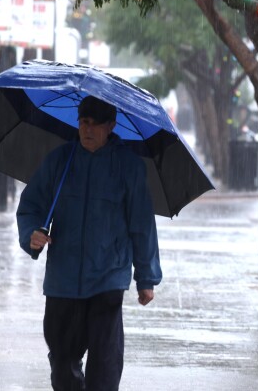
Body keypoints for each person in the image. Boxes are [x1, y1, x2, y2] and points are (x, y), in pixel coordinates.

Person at [17, 95, 161, 391]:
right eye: (83, 122)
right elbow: (31, 206)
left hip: (108, 278)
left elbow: (142, 225)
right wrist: (32, 234)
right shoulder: (60, 161)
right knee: (62, 365)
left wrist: (146, 277)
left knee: (105, 367)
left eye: (95, 124)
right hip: (63, 280)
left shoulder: (128, 167)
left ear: (111, 126)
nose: (88, 130)